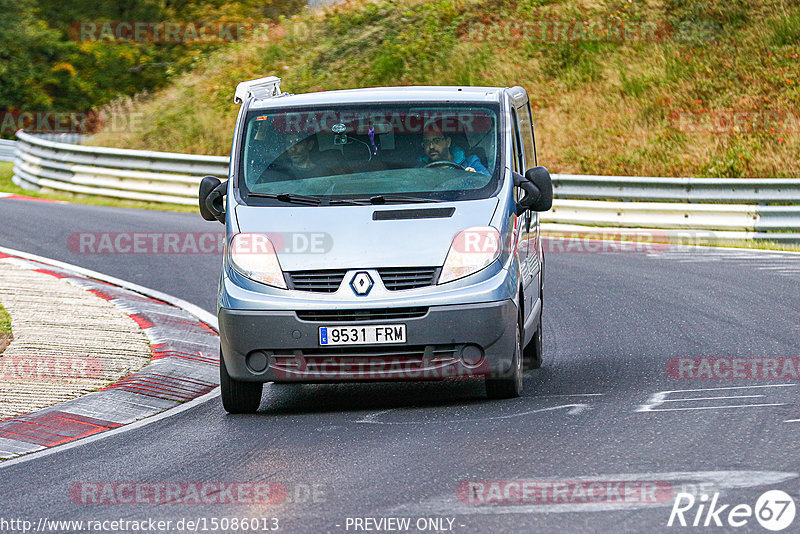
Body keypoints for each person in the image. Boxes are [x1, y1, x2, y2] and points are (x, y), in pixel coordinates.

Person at [417, 130, 490, 175]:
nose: (431, 146)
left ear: (448, 142)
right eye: (426, 142)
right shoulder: (419, 169)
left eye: (436, 140)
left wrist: (475, 176)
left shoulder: (470, 162)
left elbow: (487, 183)